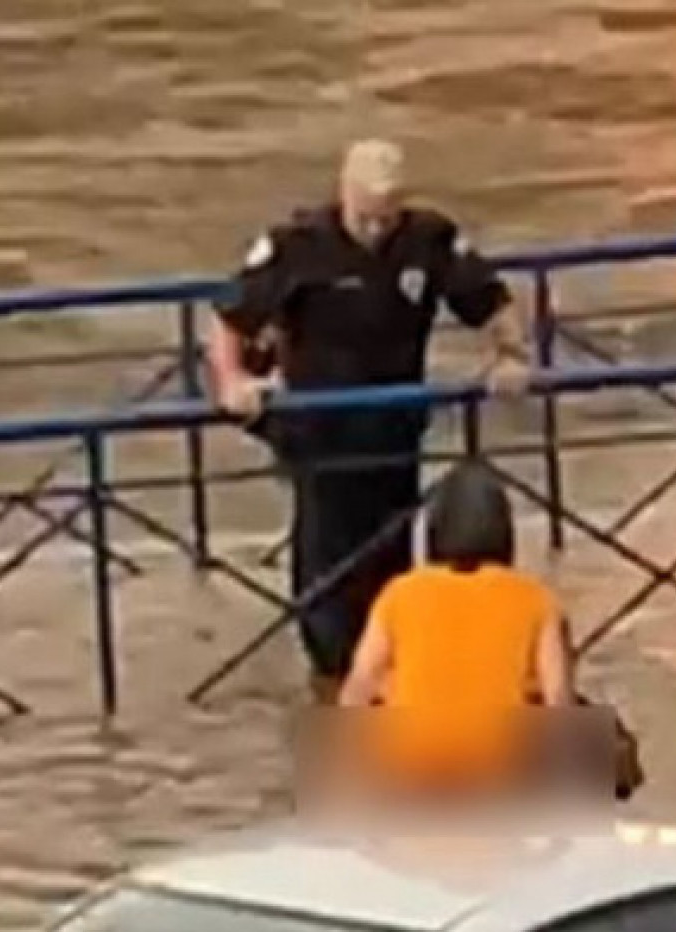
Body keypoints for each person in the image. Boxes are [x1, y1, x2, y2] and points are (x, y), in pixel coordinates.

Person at [207, 139, 533, 702]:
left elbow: (492, 300)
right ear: (343, 194)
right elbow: (229, 319)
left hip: (395, 428)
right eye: (367, 217)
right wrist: (232, 382)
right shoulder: (297, 245)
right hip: (320, 432)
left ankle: (393, 688)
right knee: (328, 577)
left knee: (391, 563)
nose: (378, 230)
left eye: (388, 217)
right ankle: (335, 693)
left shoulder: (429, 239)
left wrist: (512, 355)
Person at [336, 462, 570, 798]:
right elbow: (558, 699)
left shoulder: (400, 592)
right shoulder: (537, 599)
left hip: (408, 767)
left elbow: (358, 688)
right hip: (496, 769)